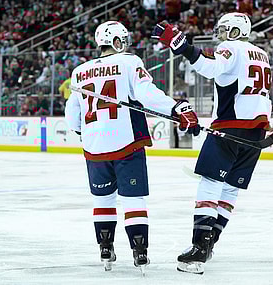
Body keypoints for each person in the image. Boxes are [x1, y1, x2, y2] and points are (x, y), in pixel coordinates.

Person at [65, 21, 200, 273]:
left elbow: (72, 114)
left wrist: (89, 132)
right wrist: (176, 107)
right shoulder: (129, 62)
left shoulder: (79, 71)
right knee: (133, 198)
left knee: (103, 198)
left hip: (94, 147)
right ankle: (139, 251)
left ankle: (105, 248)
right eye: (122, 39)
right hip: (126, 142)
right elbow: (146, 93)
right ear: (117, 41)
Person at [152, 12, 272, 274]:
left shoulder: (231, 47)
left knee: (210, 183)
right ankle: (211, 242)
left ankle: (199, 250)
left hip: (230, 128)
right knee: (230, 190)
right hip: (257, 132)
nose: (220, 33)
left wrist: (183, 47)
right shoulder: (261, 54)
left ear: (236, 31)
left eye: (225, 28)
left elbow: (211, 68)